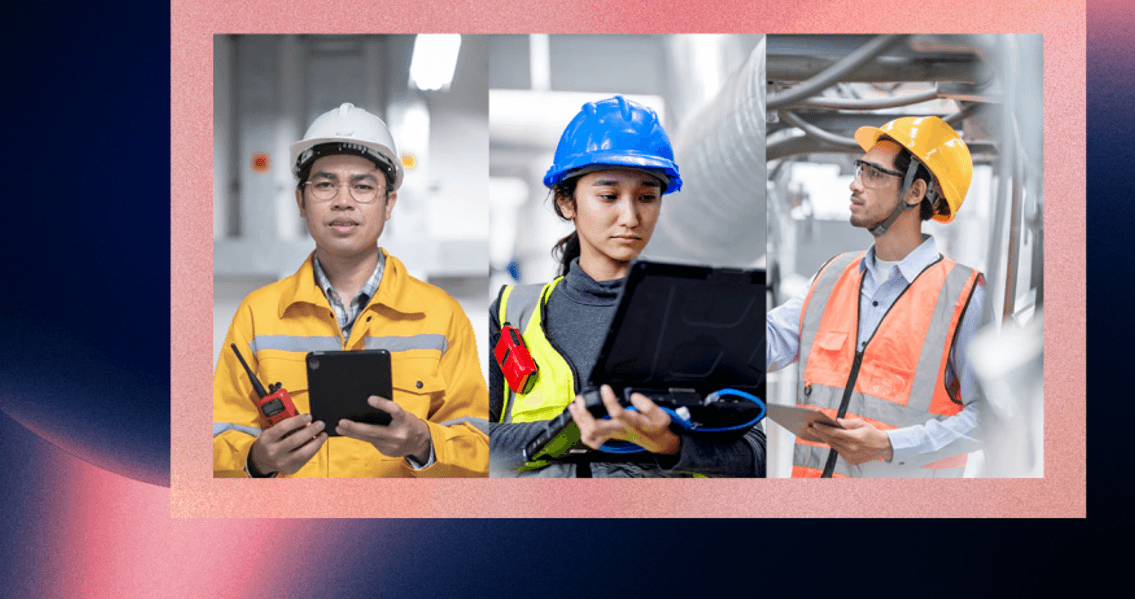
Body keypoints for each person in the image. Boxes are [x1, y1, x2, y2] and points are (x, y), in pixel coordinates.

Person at [488, 96, 765, 478]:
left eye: (647, 197)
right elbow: (475, 442)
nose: (631, 217)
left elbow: (755, 455)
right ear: (566, 201)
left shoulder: (702, 313)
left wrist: (669, 444)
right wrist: (572, 433)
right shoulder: (512, 312)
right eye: (608, 196)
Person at [213, 103, 489, 478]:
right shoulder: (257, 315)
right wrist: (255, 460)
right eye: (325, 184)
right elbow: (217, 443)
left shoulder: (441, 317)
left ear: (388, 203)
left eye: (362, 186)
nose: (343, 201)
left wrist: (423, 443)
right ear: (300, 201)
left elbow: (482, 450)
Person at [767, 115, 990, 477]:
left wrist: (890, 446)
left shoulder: (963, 297)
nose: (855, 185)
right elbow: (770, 339)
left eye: (873, 174)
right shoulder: (831, 276)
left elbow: (989, 417)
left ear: (914, 193)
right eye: (860, 170)